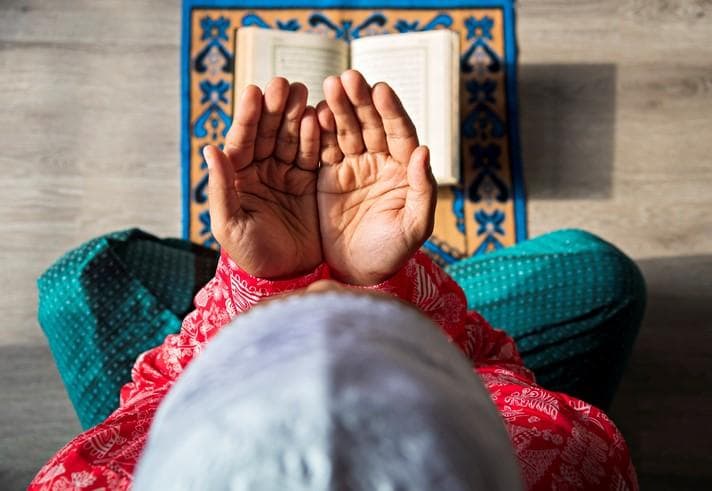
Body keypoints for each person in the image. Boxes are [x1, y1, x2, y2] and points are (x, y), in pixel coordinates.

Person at [30, 70, 640, 490]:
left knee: (83, 279)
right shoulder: (574, 467)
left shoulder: (86, 481)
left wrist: (262, 283)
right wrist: (376, 282)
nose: (321, 301)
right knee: (598, 274)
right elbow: (497, 373)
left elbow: (151, 400)